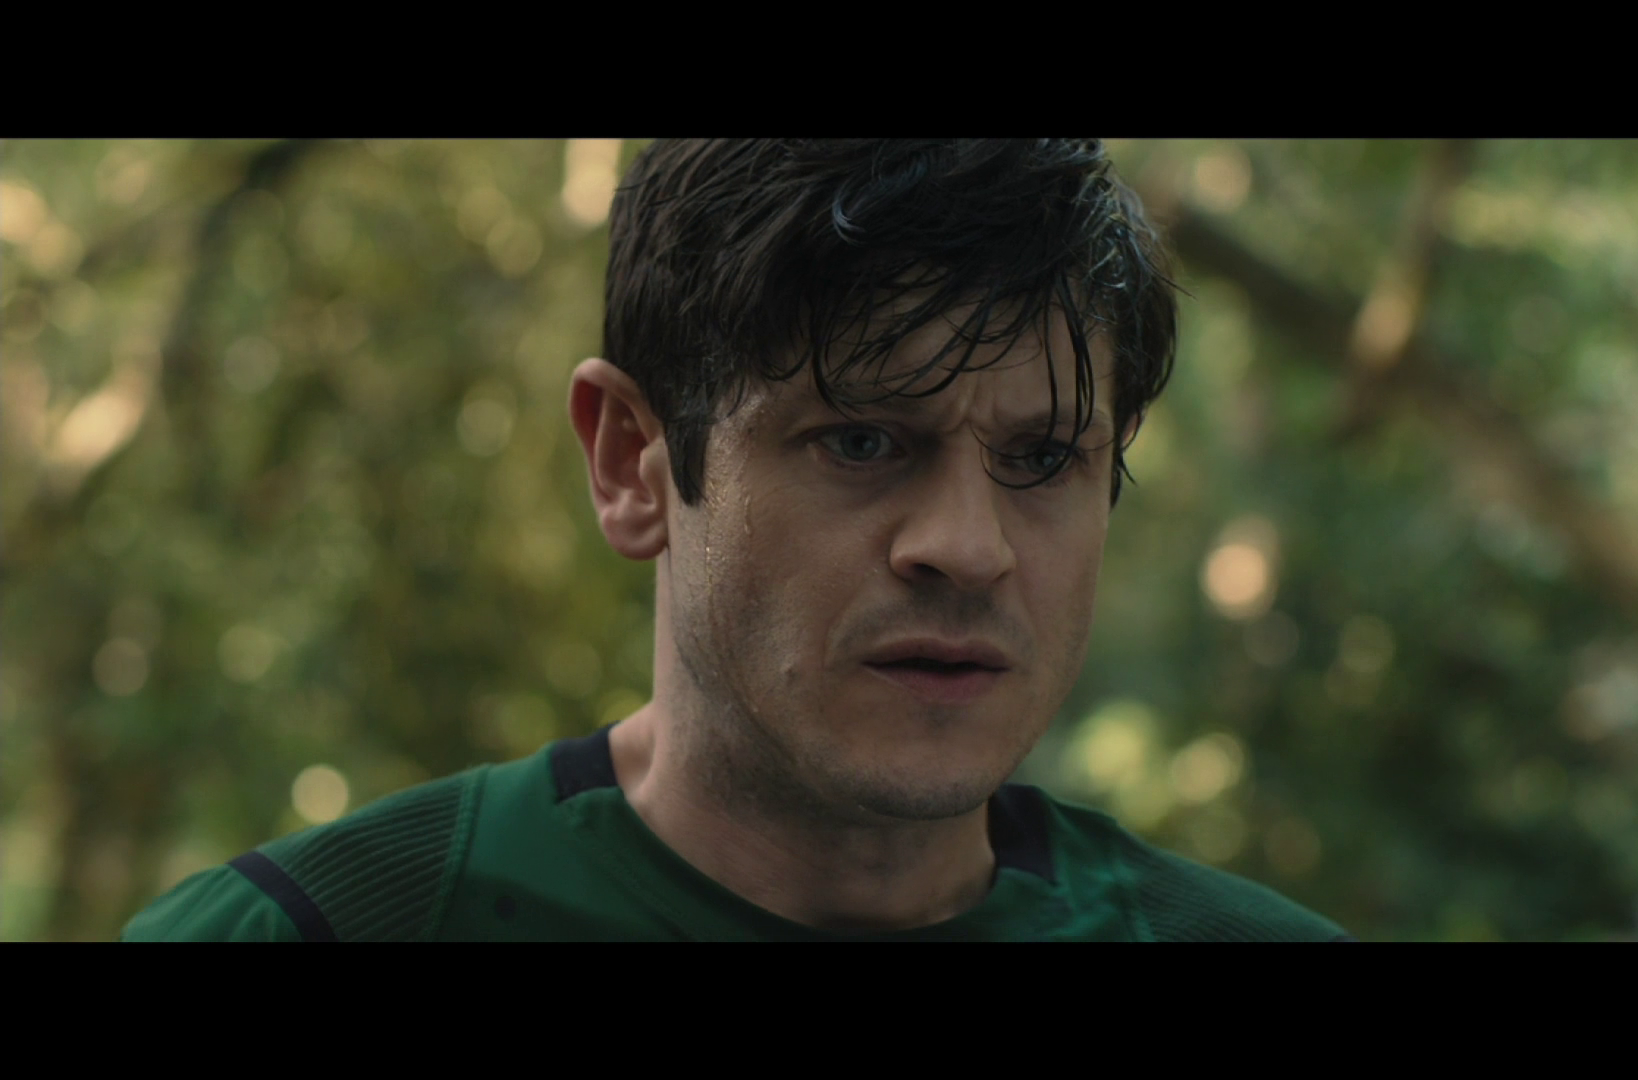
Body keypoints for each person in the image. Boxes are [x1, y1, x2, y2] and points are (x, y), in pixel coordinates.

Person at [122, 139, 1349, 941]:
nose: (969, 547)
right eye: (861, 441)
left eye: (1040, 460)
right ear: (632, 463)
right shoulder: (313, 929)